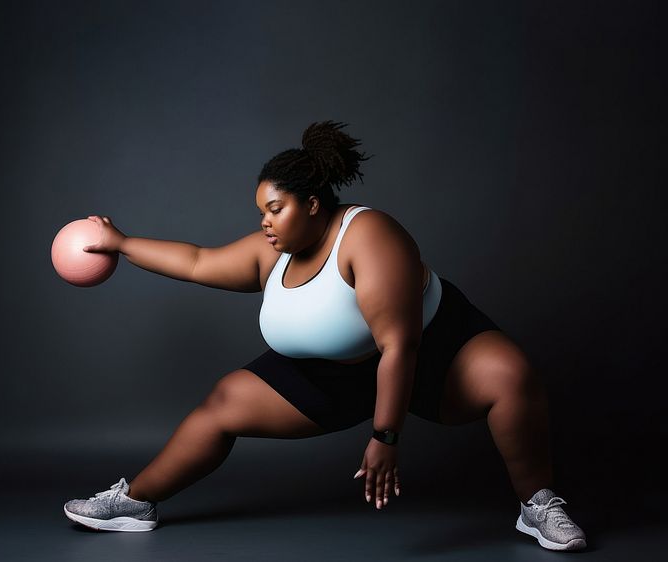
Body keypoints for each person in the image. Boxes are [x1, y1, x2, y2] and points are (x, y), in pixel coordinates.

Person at [62, 121, 587, 551]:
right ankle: (136, 502)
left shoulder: (370, 236)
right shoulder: (274, 248)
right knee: (222, 402)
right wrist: (122, 243)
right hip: (333, 375)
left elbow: (399, 345)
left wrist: (385, 437)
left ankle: (537, 505)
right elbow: (200, 262)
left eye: (276, 209)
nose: (266, 223)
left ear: (313, 204)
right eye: (261, 212)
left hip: (430, 351)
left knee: (510, 376)